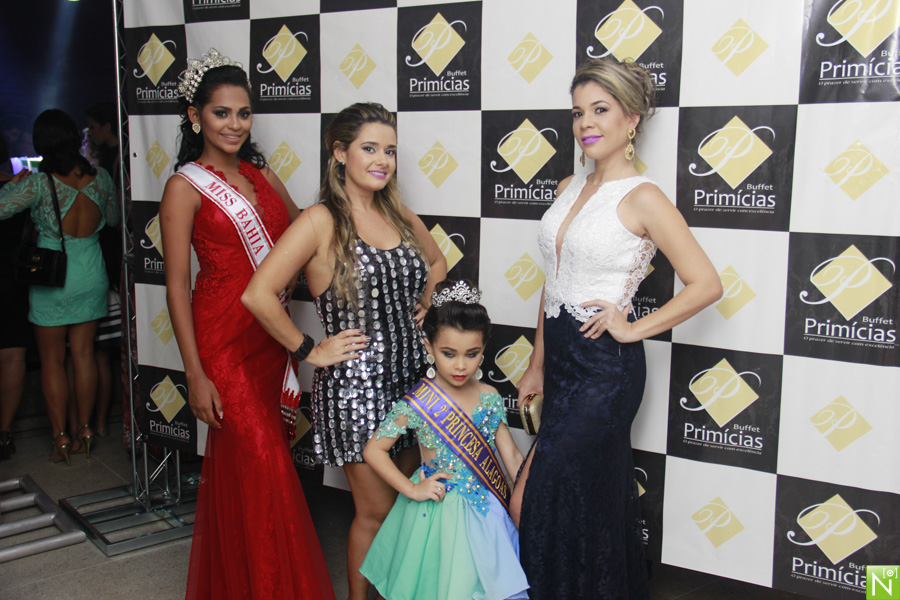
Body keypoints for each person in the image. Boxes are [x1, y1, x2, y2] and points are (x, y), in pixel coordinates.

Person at [511, 58, 723, 599]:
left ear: (631, 120)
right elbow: (553, 282)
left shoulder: (644, 197)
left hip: (604, 372)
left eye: (600, 110)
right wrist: (536, 363)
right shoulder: (568, 185)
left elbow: (706, 283)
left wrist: (633, 329)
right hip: (561, 364)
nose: (586, 122)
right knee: (578, 502)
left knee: (538, 496)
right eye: (578, 112)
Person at [159, 49, 356, 600]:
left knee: (256, 470)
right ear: (195, 116)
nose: (235, 124)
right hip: (222, 343)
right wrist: (195, 373)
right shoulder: (184, 187)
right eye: (221, 113)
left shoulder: (260, 173)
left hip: (269, 337)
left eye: (243, 113)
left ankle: (247, 581)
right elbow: (175, 285)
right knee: (264, 464)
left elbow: (302, 230)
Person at [242, 102, 447, 599]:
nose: (382, 160)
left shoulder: (397, 214)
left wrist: (424, 303)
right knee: (376, 512)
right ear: (339, 153)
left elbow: (437, 262)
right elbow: (257, 294)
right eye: (369, 148)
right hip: (357, 390)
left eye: (390, 151)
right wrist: (308, 349)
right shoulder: (320, 220)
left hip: (415, 382)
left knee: (409, 505)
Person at [359, 279, 529, 600]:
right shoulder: (419, 402)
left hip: (485, 510)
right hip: (435, 510)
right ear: (429, 346)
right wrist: (412, 488)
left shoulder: (489, 396)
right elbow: (374, 450)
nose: (461, 365)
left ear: (483, 348)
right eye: (449, 354)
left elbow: (512, 458)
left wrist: (530, 502)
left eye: (472, 354)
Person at [0, 109, 118, 465]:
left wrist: (12, 182)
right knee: (84, 355)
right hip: (91, 273)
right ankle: (85, 429)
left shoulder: (39, 183)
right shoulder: (101, 178)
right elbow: (113, 219)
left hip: (52, 275)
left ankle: (60, 437)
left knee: (52, 359)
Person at [0, 135, 30, 459]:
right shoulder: (20, 187)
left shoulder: (18, 187)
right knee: (11, 355)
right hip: (12, 276)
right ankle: (4, 432)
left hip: (11, 277)